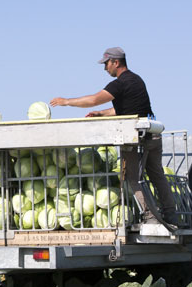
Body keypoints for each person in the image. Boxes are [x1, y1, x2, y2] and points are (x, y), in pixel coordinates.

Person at [50, 47, 179, 228]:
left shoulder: (120, 83)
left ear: (115, 62)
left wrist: (66, 102)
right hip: (153, 134)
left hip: (136, 138)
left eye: (106, 64)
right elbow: (126, 109)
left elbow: (95, 99)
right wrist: (101, 114)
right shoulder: (136, 80)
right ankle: (171, 215)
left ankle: (150, 217)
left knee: (133, 178)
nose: (105, 69)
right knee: (157, 175)